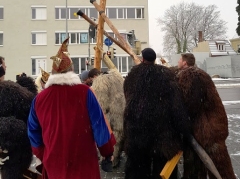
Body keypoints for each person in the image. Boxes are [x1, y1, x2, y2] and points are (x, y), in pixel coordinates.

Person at [27, 37, 116, 179]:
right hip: (83, 161)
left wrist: (44, 154)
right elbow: (99, 125)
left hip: (55, 164)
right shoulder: (84, 92)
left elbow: (33, 132)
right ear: (72, 70)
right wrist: (107, 152)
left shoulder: (39, 99)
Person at [123, 48, 191, 179]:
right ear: (155, 60)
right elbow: (176, 106)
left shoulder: (132, 75)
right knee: (162, 171)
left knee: (138, 170)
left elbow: (128, 100)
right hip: (162, 134)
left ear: (142, 59)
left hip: (137, 132)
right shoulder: (166, 74)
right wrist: (184, 130)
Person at [176, 53, 236, 179]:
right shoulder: (200, 74)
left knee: (218, 167)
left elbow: (190, 104)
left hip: (208, 131)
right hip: (212, 127)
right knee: (216, 166)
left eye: (180, 60)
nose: (178, 62)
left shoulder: (191, 76)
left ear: (185, 63)